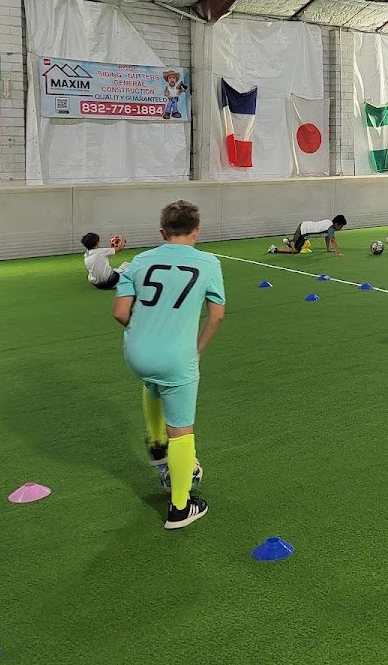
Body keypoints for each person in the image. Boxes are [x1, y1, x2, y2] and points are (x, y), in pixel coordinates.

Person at [113, 200, 225, 530]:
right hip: (177, 360)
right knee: (182, 429)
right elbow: (216, 315)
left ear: (162, 232)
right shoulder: (209, 262)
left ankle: (155, 445)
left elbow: (120, 312)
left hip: (136, 355)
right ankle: (180, 507)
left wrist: (144, 334)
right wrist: (197, 351)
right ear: (197, 231)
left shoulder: (138, 261)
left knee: (152, 381)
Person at [270, 215, 347, 255]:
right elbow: (333, 240)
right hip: (304, 231)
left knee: (297, 238)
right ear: (337, 224)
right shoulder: (330, 228)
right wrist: (338, 252)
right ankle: (274, 249)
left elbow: (327, 237)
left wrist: (328, 249)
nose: (341, 228)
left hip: (304, 226)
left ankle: (288, 240)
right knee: (296, 250)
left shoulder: (329, 223)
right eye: (341, 226)